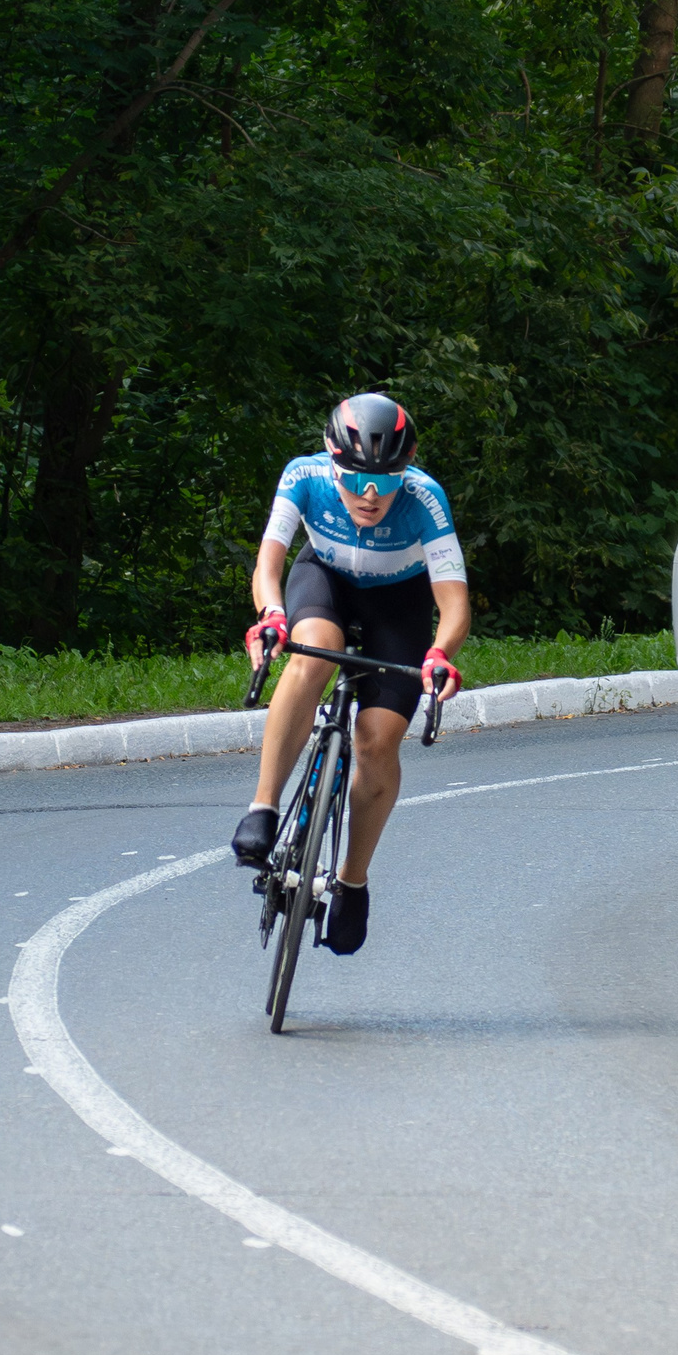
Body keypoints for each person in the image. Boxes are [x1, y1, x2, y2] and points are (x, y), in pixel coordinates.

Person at [230, 393, 469, 954]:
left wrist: (439, 654)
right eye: (357, 477)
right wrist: (270, 617)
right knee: (313, 649)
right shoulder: (303, 476)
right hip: (325, 584)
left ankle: (352, 882)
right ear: (332, 463)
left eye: (386, 480)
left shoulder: (424, 498)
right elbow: (269, 561)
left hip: (397, 605)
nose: (370, 494)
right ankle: (263, 807)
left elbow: (453, 603)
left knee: (378, 740)